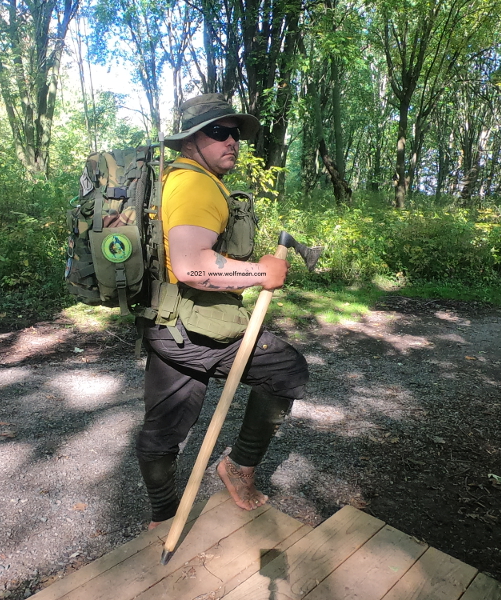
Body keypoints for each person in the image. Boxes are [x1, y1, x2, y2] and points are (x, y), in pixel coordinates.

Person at [135, 94, 309, 529]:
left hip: (168, 326)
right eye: (218, 131)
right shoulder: (195, 185)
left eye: (235, 133)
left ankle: (162, 518)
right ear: (191, 139)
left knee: (163, 429)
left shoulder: (178, 180)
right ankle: (236, 467)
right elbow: (194, 265)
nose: (231, 140)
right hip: (196, 330)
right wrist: (261, 272)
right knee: (286, 369)